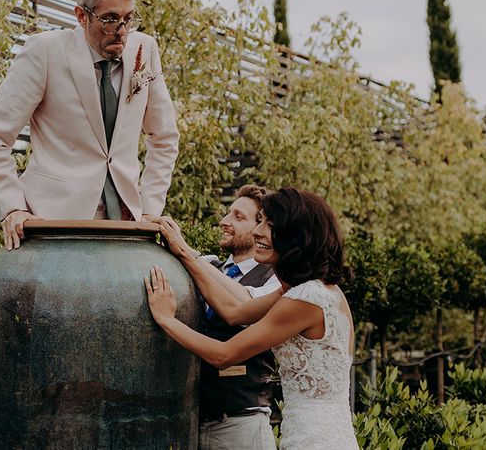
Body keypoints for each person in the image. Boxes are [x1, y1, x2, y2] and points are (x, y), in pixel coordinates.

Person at [0, 0, 179, 250]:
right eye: (110, 19)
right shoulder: (44, 51)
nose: (121, 30)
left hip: (126, 222)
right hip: (52, 222)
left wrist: (149, 209)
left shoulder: (144, 49)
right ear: (82, 16)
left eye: (128, 19)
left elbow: (164, 136)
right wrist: (12, 207)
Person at [147, 187, 359, 450]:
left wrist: (167, 319)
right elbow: (233, 312)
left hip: (316, 440)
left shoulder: (305, 300)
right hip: (318, 434)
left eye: (269, 225)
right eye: (259, 221)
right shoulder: (313, 290)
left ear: (295, 236)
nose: (258, 232)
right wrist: (184, 254)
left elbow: (224, 354)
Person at [191, 185, 282, 450]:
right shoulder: (208, 268)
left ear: (260, 229)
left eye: (238, 217)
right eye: (228, 214)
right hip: (194, 422)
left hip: (242, 422)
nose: (225, 222)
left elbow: (239, 309)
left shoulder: (275, 280)